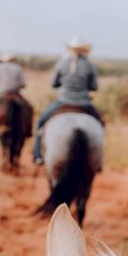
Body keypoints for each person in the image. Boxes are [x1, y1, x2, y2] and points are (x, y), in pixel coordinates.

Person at [33, 36, 103, 165]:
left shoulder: (62, 63)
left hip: (63, 101)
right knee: (100, 124)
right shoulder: (89, 65)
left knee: (41, 122)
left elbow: (54, 83)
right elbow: (94, 86)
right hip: (84, 103)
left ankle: (37, 154)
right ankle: (99, 161)